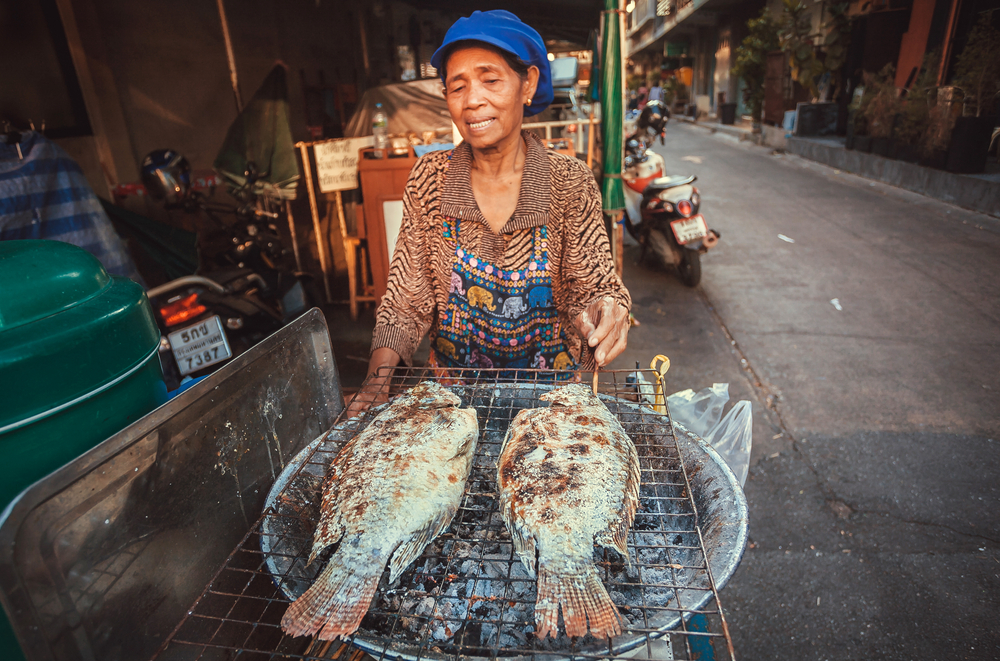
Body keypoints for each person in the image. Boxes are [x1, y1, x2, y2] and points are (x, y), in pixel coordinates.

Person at [346, 10, 631, 417]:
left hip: (551, 410)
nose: (472, 100)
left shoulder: (569, 181)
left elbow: (593, 286)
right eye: (456, 87)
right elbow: (405, 303)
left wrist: (605, 311)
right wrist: (377, 384)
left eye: (491, 80)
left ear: (528, 83)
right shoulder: (430, 180)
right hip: (449, 408)